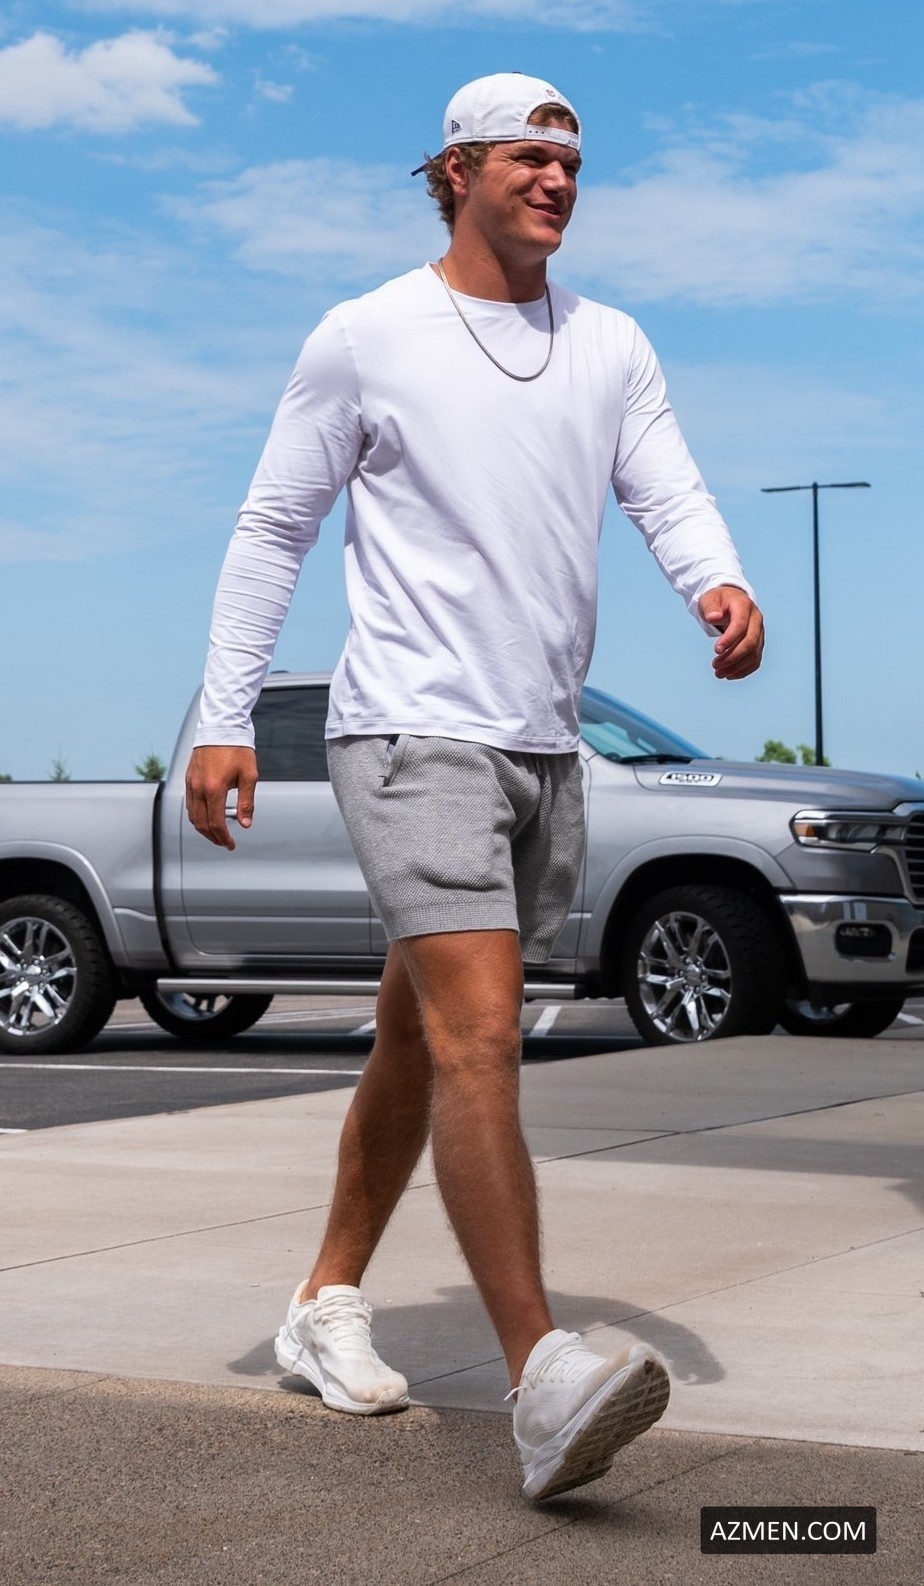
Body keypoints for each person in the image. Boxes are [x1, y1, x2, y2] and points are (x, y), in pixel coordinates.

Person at [185, 72, 764, 1502]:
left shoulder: (609, 343)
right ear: (454, 171)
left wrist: (718, 578)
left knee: (421, 1034)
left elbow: (664, 485)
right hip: (410, 732)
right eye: (527, 157)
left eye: (573, 161)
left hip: (540, 743)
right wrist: (222, 715)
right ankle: (540, 1378)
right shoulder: (367, 335)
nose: (557, 179)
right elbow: (275, 526)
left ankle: (325, 1298)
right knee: (482, 1036)